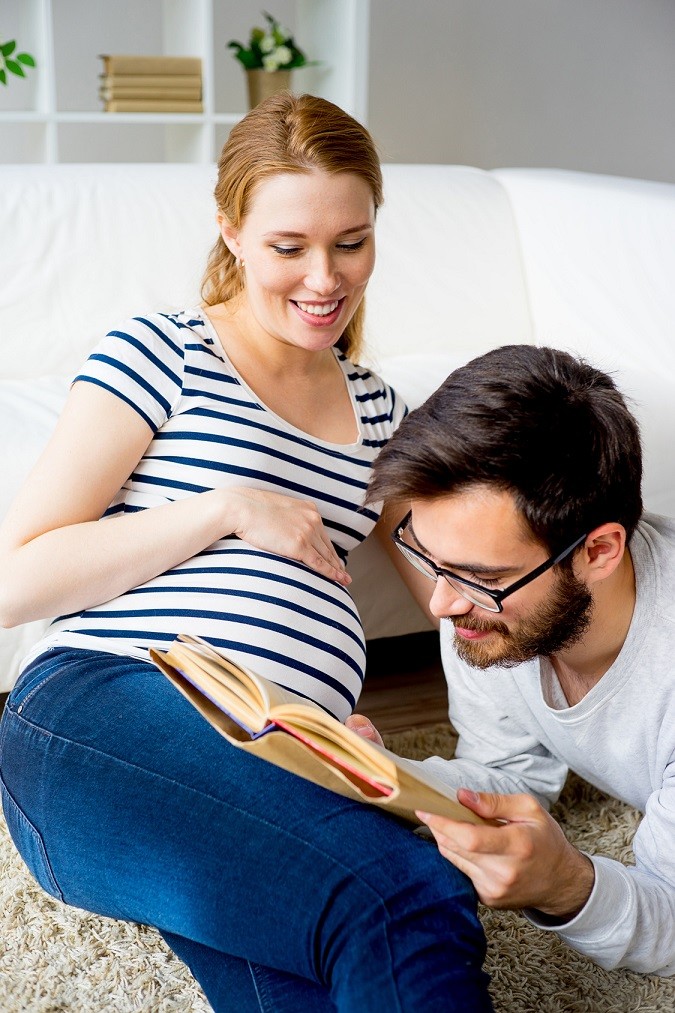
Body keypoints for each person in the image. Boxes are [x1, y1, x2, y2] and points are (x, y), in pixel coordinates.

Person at [0, 94, 492, 1011]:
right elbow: (12, 579)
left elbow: (460, 586)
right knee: (408, 894)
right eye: (288, 246)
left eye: (351, 242)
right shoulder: (164, 351)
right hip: (107, 709)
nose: (324, 277)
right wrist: (225, 509)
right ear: (229, 231)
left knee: (336, 959)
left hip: (289, 752)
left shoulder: (379, 410)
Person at [355, 342, 675, 977]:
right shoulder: (489, 608)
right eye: (429, 559)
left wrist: (565, 884)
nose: (442, 604)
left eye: (481, 577)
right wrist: (389, 776)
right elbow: (509, 771)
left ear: (599, 551)